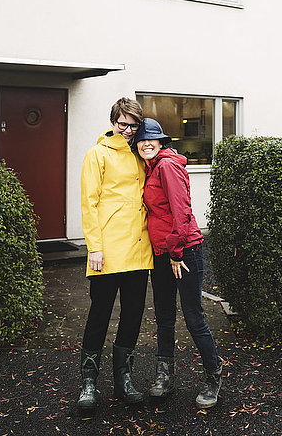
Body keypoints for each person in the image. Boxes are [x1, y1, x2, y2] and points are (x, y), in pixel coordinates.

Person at [134, 118, 223, 409]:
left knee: (193, 317)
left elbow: (182, 213)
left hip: (183, 252)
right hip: (162, 253)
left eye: (152, 139)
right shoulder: (151, 168)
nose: (146, 143)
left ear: (161, 143)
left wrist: (176, 253)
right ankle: (165, 377)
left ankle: (213, 377)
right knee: (164, 316)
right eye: (142, 140)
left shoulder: (167, 166)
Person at [77, 98, 153, 410]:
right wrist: (94, 246)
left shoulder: (140, 156)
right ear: (113, 123)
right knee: (99, 315)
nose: (128, 130)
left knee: (133, 315)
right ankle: (89, 383)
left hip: (137, 249)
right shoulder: (97, 154)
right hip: (105, 252)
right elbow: (89, 202)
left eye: (134, 125)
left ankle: (123, 379)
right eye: (123, 124)